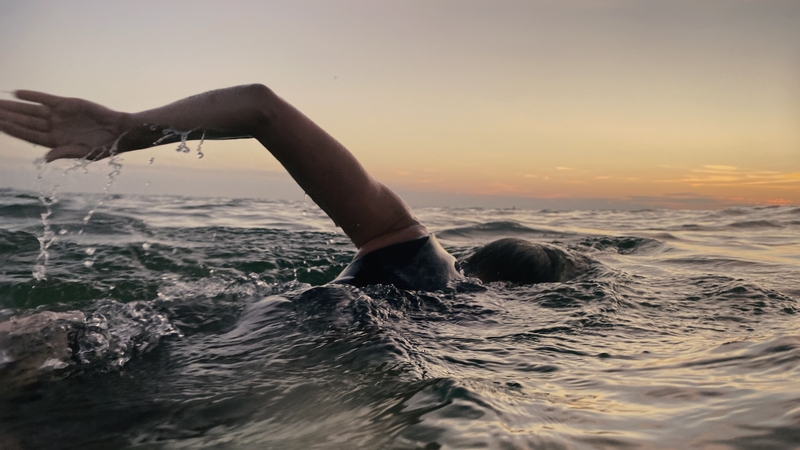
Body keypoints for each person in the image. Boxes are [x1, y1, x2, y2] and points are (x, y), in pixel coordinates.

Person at [0, 84, 581, 291]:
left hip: (213, 342)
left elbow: (259, 106)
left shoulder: (408, 248)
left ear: (475, 256)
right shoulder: (457, 312)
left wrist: (126, 130)